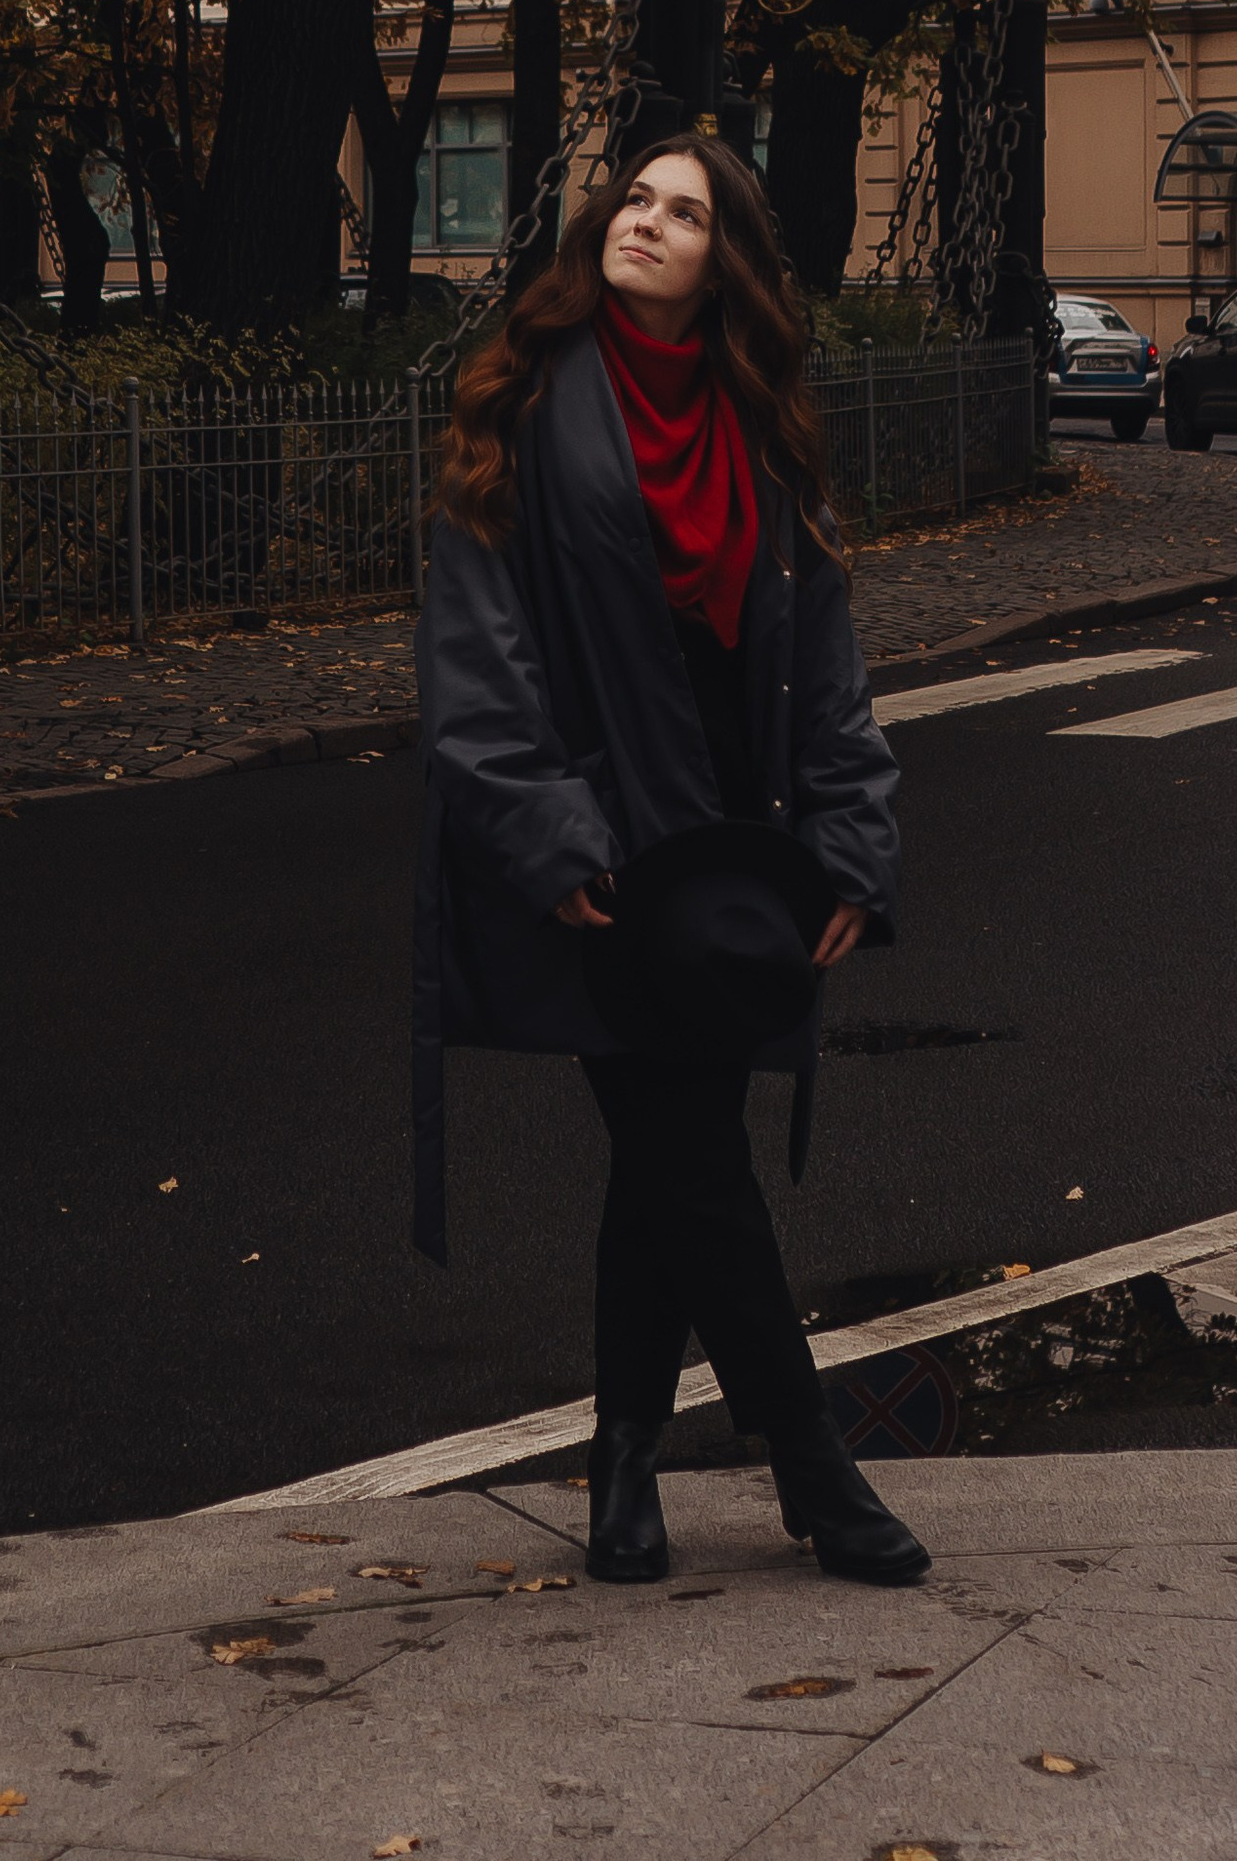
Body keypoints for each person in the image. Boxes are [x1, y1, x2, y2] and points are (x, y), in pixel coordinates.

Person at [412, 131, 927, 1589]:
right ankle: (814, 1471)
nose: (643, 222)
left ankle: (625, 1462)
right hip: (596, 844)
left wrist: (849, 847)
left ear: (729, 263)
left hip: (729, 856)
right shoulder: (520, 400)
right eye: (633, 198)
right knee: (692, 1156)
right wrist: (546, 829)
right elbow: (477, 663)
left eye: (683, 210)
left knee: (667, 1164)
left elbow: (825, 661)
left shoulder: (762, 426)